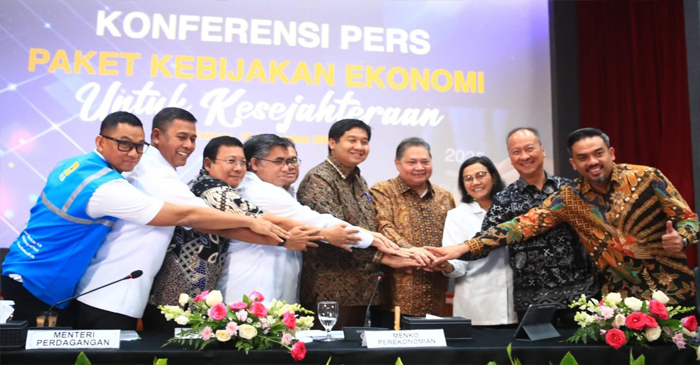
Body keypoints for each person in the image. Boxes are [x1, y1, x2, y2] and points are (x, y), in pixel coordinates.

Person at [0, 111, 285, 327]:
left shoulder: (78, 165)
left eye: (139, 145)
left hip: (35, 271)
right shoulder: (110, 186)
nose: (134, 153)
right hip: (48, 283)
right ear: (100, 141)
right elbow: (187, 214)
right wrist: (251, 221)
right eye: (124, 145)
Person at [428, 128, 699, 307]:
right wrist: (462, 247)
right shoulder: (569, 197)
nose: (592, 161)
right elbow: (520, 226)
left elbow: (690, 220)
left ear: (611, 153)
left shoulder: (647, 177)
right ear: (574, 164)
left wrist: (683, 238)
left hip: (670, 289)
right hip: (617, 300)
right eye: (583, 157)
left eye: (598, 154)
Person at [144, 136, 321, 330]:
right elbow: (256, 218)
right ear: (208, 164)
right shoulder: (209, 188)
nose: (238, 168)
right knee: (170, 353)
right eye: (230, 161)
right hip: (177, 293)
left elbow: (231, 228)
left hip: (197, 292)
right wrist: (309, 236)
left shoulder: (222, 187)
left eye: (242, 163)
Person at [217, 134, 414, 304]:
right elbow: (316, 221)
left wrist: (373, 236)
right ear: (255, 164)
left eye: (292, 160)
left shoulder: (282, 191)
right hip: (252, 286)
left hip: (274, 284)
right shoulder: (260, 190)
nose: (288, 167)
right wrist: (375, 240)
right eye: (279, 161)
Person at [482, 128, 599, 324]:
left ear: (542, 150)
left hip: (581, 294)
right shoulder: (504, 199)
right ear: (510, 159)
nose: (524, 156)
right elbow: (485, 239)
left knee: (585, 353)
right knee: (537, 355)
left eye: (529, 149)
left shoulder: (570, 189)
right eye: (516, 152)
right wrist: (450, 255)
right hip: (532, 301)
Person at [297, 119, 387, 327]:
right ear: (332, 142)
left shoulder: (358, 179)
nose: (359, 147)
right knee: (331, 356)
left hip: (363, 288)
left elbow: (368, 225)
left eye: (364, 142)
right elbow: (338, 233)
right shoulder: (319, 179)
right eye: (352, 140)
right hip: (331, 292)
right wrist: (384, 256)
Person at [371, 137, 456, 318]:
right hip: (394, 298)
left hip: (436, 295)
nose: (419, 167)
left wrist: (446, 261)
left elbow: (453, 238)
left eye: (425, 162)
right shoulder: (382, 190)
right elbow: (383, 225)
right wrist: (412, 250)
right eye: (412, 162)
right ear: (397, 163)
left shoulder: (445, 197)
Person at [438, 156, 517, 325]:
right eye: (468, 179)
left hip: (516, 304)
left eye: (481, 175)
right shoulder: (457, 216)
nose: (475, 182)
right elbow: (457, 265)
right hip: (477, 306)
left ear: (494, 177)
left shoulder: (513, 208)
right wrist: (447, 265)